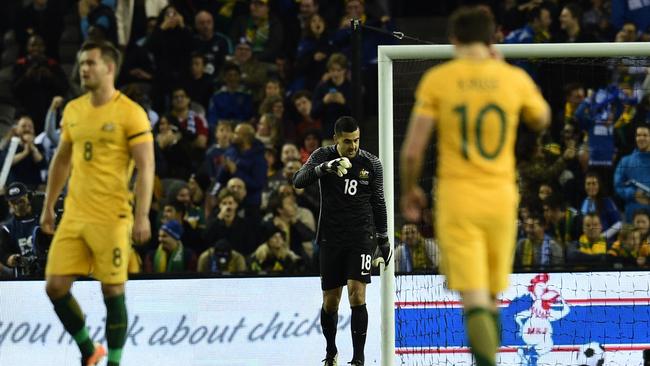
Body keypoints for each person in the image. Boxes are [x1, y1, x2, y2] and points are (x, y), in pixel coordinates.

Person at [399, 7, 550, 366]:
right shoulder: (511, 77)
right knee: (493, 295)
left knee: (476, 299)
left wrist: (409, 190)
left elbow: (412, 151)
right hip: (500, 197)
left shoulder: (440, 79)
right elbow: (542, 118)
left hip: (457, 198)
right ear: (493, 37)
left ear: (453, 40)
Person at [40, 40, 154, 366]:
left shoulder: (130, 113)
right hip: (75, 213)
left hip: (112, 215)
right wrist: (49, 205)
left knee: (112, 290)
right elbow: (61, 160)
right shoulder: (74, 109)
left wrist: (142, 216)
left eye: (90, 62)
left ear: (109, 68)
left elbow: (146, 167)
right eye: (81, 63)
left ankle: (114, 362)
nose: (84, 69)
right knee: (55, 286)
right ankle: (90, 351)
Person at [293, 116, 390, 366]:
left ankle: (358, 359)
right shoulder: (322, 155)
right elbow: (298, 181)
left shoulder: (372, 163)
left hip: (361, 236)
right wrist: (324, 168)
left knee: (357, 295)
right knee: (331, 300)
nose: (353, 146)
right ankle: (331, 351)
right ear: (336, 139)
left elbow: (378, 202)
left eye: (357, 140)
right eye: (348, 141)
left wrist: (384, 238)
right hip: (331, 236)